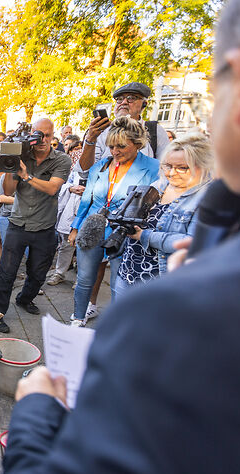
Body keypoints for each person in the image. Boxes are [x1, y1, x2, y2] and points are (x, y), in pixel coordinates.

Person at [2, 3, 240, 474]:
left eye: (215, 88)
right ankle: (79, 319)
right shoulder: (225, 239)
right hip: (99, 236)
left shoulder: (166, 312)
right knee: (82, 280)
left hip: (134, 257)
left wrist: (36, 409)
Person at [68, 117, 160, 326]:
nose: (115, 152)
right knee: (84, 279)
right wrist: (75, 227)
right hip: (93, 226)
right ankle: (78, 317)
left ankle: (118, 325)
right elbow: (87, 198)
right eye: (111, 146)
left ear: (137, 144)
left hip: (125, 232)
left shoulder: (154, 168)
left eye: (121, 146)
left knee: (120, 283)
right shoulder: (101, 165)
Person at [0, 118, 71, 334]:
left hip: (44, 226)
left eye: (47, 135)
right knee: (6, 271)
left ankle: (25, 299)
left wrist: (27, 175)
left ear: (53, 138)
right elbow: (8, 190)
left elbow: (52, 188)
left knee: (38, 273)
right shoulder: (21, 156)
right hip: (18, 223)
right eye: (38, 134)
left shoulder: (61, 160)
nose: (42, 139)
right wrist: (11, 162)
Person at [114, 134, 214, 296]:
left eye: (182, 167)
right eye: (167, 166)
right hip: (128, 274)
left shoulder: (207, 199)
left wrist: (144, 236)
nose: (172, 173)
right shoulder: (160, 184)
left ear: (201, 166)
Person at [79, 82, 170, 171]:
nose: (124, 102)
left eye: (131, 98)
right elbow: (85, 170)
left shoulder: (154, 130)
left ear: (144, 104)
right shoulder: (101, 130)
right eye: (119, 99)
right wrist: (90, 140)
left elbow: (165, 167)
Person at [46, 167, 86, 286]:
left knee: (84, 247)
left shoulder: (102, 169)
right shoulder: (76, 170)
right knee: (66, 244)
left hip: (88, 209)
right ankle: (59, 272)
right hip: (71, 208)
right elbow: (65, 184)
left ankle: (81, 278)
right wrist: (70, 188)